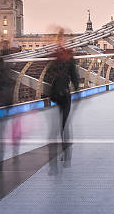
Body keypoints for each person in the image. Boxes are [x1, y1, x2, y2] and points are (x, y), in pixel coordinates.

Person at [44, 29, 79, 170]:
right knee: (63, 125)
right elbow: (74, 75)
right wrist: (77, 89)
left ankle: (56, 160)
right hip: (64, 94)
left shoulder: (54, 56)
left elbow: (47, 75)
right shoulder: (68, 56)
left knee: (56, 127)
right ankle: (66, 154)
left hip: (56, 94)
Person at [0, 57, 18, 169]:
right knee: (5, 126)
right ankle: (12, 149)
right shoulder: (8, 73)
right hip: (7, 103)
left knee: (0, 128)